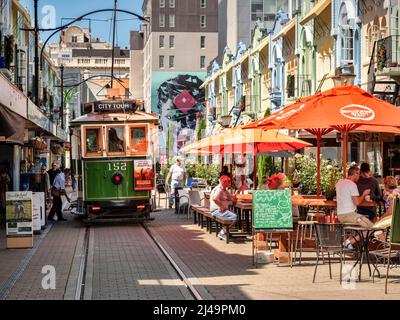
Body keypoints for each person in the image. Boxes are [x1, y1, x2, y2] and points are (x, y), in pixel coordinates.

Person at [336, 166, 373, 248]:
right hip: (350, 215)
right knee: (371, 228)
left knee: (357, 229)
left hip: (340, 215)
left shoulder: (339, 182)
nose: (359, 176)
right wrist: (364, 194)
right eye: (359, 174)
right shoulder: (352, 184)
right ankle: (348, 243)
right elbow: (357, 202)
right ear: (355, 173)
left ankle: (348, 243)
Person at [210, 175, 238, 240]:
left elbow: (230, 198)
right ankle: (223, 232)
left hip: (218, 210)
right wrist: (221, 206)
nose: (229, 184)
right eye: (228, 182)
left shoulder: (223, 189)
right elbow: (215, 199)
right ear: (224, 182)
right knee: (234, 216)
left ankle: (225, 231)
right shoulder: (219, 189)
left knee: (235, 214)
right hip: (216, 211)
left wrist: (232, 198)